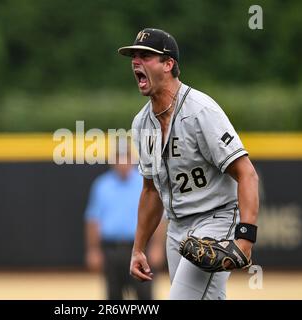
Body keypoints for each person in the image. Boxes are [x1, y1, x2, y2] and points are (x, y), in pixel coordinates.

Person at [117, 28, 259, 300]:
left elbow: (247, 173)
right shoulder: (142, 123)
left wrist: (245, 238)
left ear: (169, 64)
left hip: (215, 218)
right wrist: (138, 248)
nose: (136, 61)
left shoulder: (201, 111)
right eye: (134, 56)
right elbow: (150, 191)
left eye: (146, 55)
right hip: (177, 229)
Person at [84, 147, 165, 300]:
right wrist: (93, 249)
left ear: (132, 160)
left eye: (125, 158)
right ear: (112, 162)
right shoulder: (102, 185)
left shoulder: (145, 183)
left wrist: (157, 246)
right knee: (113, 296)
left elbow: (158, 216)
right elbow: (93, 219)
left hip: (141, 249)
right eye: (118, 159)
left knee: (145, 296)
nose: (122, 163)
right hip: (112, 250)